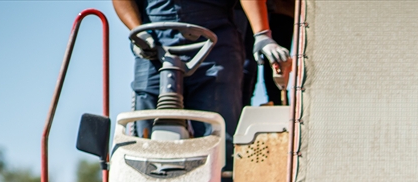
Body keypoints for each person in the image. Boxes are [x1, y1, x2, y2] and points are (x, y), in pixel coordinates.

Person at [112, 0, 289, 142]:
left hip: (214, 42)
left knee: (218, 133)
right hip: (154, 43)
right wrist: (137, 31)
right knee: (147, 135)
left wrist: (262, 34)